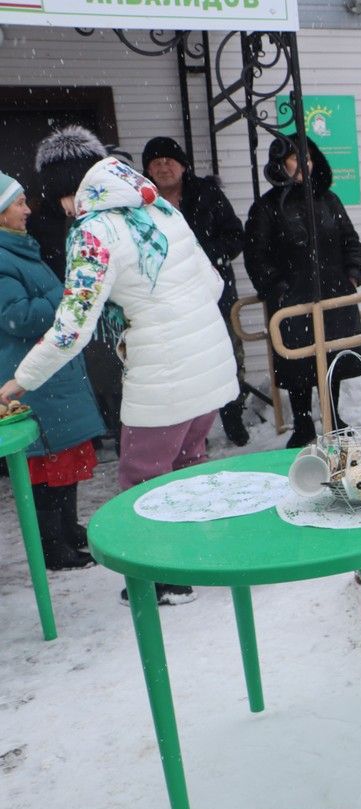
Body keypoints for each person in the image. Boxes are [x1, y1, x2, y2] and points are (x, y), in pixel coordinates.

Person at [0, 156, 239, 605]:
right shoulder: (163, 214)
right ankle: (193, 558)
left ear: (82, 192)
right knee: (188, 466)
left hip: (163, 376)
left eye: (59, 196)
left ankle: (156, 581)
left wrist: (20, 381)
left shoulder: (95, 234)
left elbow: (72, 329)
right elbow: (212, 285)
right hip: (211, 365)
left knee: (143, 481)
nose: (50, 207)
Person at [0, 171, 105, 570]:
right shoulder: (3, 257)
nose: (27, 210)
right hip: (31, 378)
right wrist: (61, 299)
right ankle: (53, 547)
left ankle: (67, 527)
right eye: (19, 203)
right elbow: (15, 317)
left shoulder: (18, 249)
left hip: (50, 376)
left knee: (63, 453)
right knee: (46, 463)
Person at [244, 136, 361, 448]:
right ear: (280, 163)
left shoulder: (328, 200)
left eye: (308, 157)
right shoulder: (267, 207)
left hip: (333, 294)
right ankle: (302, 423)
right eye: (297, 157)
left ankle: (333, 417)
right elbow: (256, 256)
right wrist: (278, 288)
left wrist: (353, 274)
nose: (305, 164)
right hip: (293, 301)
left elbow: (350, 239)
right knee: (298, 366)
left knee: (333, 357)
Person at [143, 136, 251, 446]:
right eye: (156, 162)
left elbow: (235, 236)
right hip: (169, 296)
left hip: (216, 290)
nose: (164, 167)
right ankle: (192, 434)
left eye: (169, 160)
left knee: (227, 354)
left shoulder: (207, 193)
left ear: (183, 165)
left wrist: (204, 257)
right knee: (185, 361)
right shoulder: (142, 202)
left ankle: (233, 415)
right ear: (147, 169)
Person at [32, 126, 126, 452]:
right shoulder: (51, 221)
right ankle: (109, 429)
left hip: (118, 319)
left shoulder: (99, 224)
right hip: (93, 316)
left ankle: (121, 432)